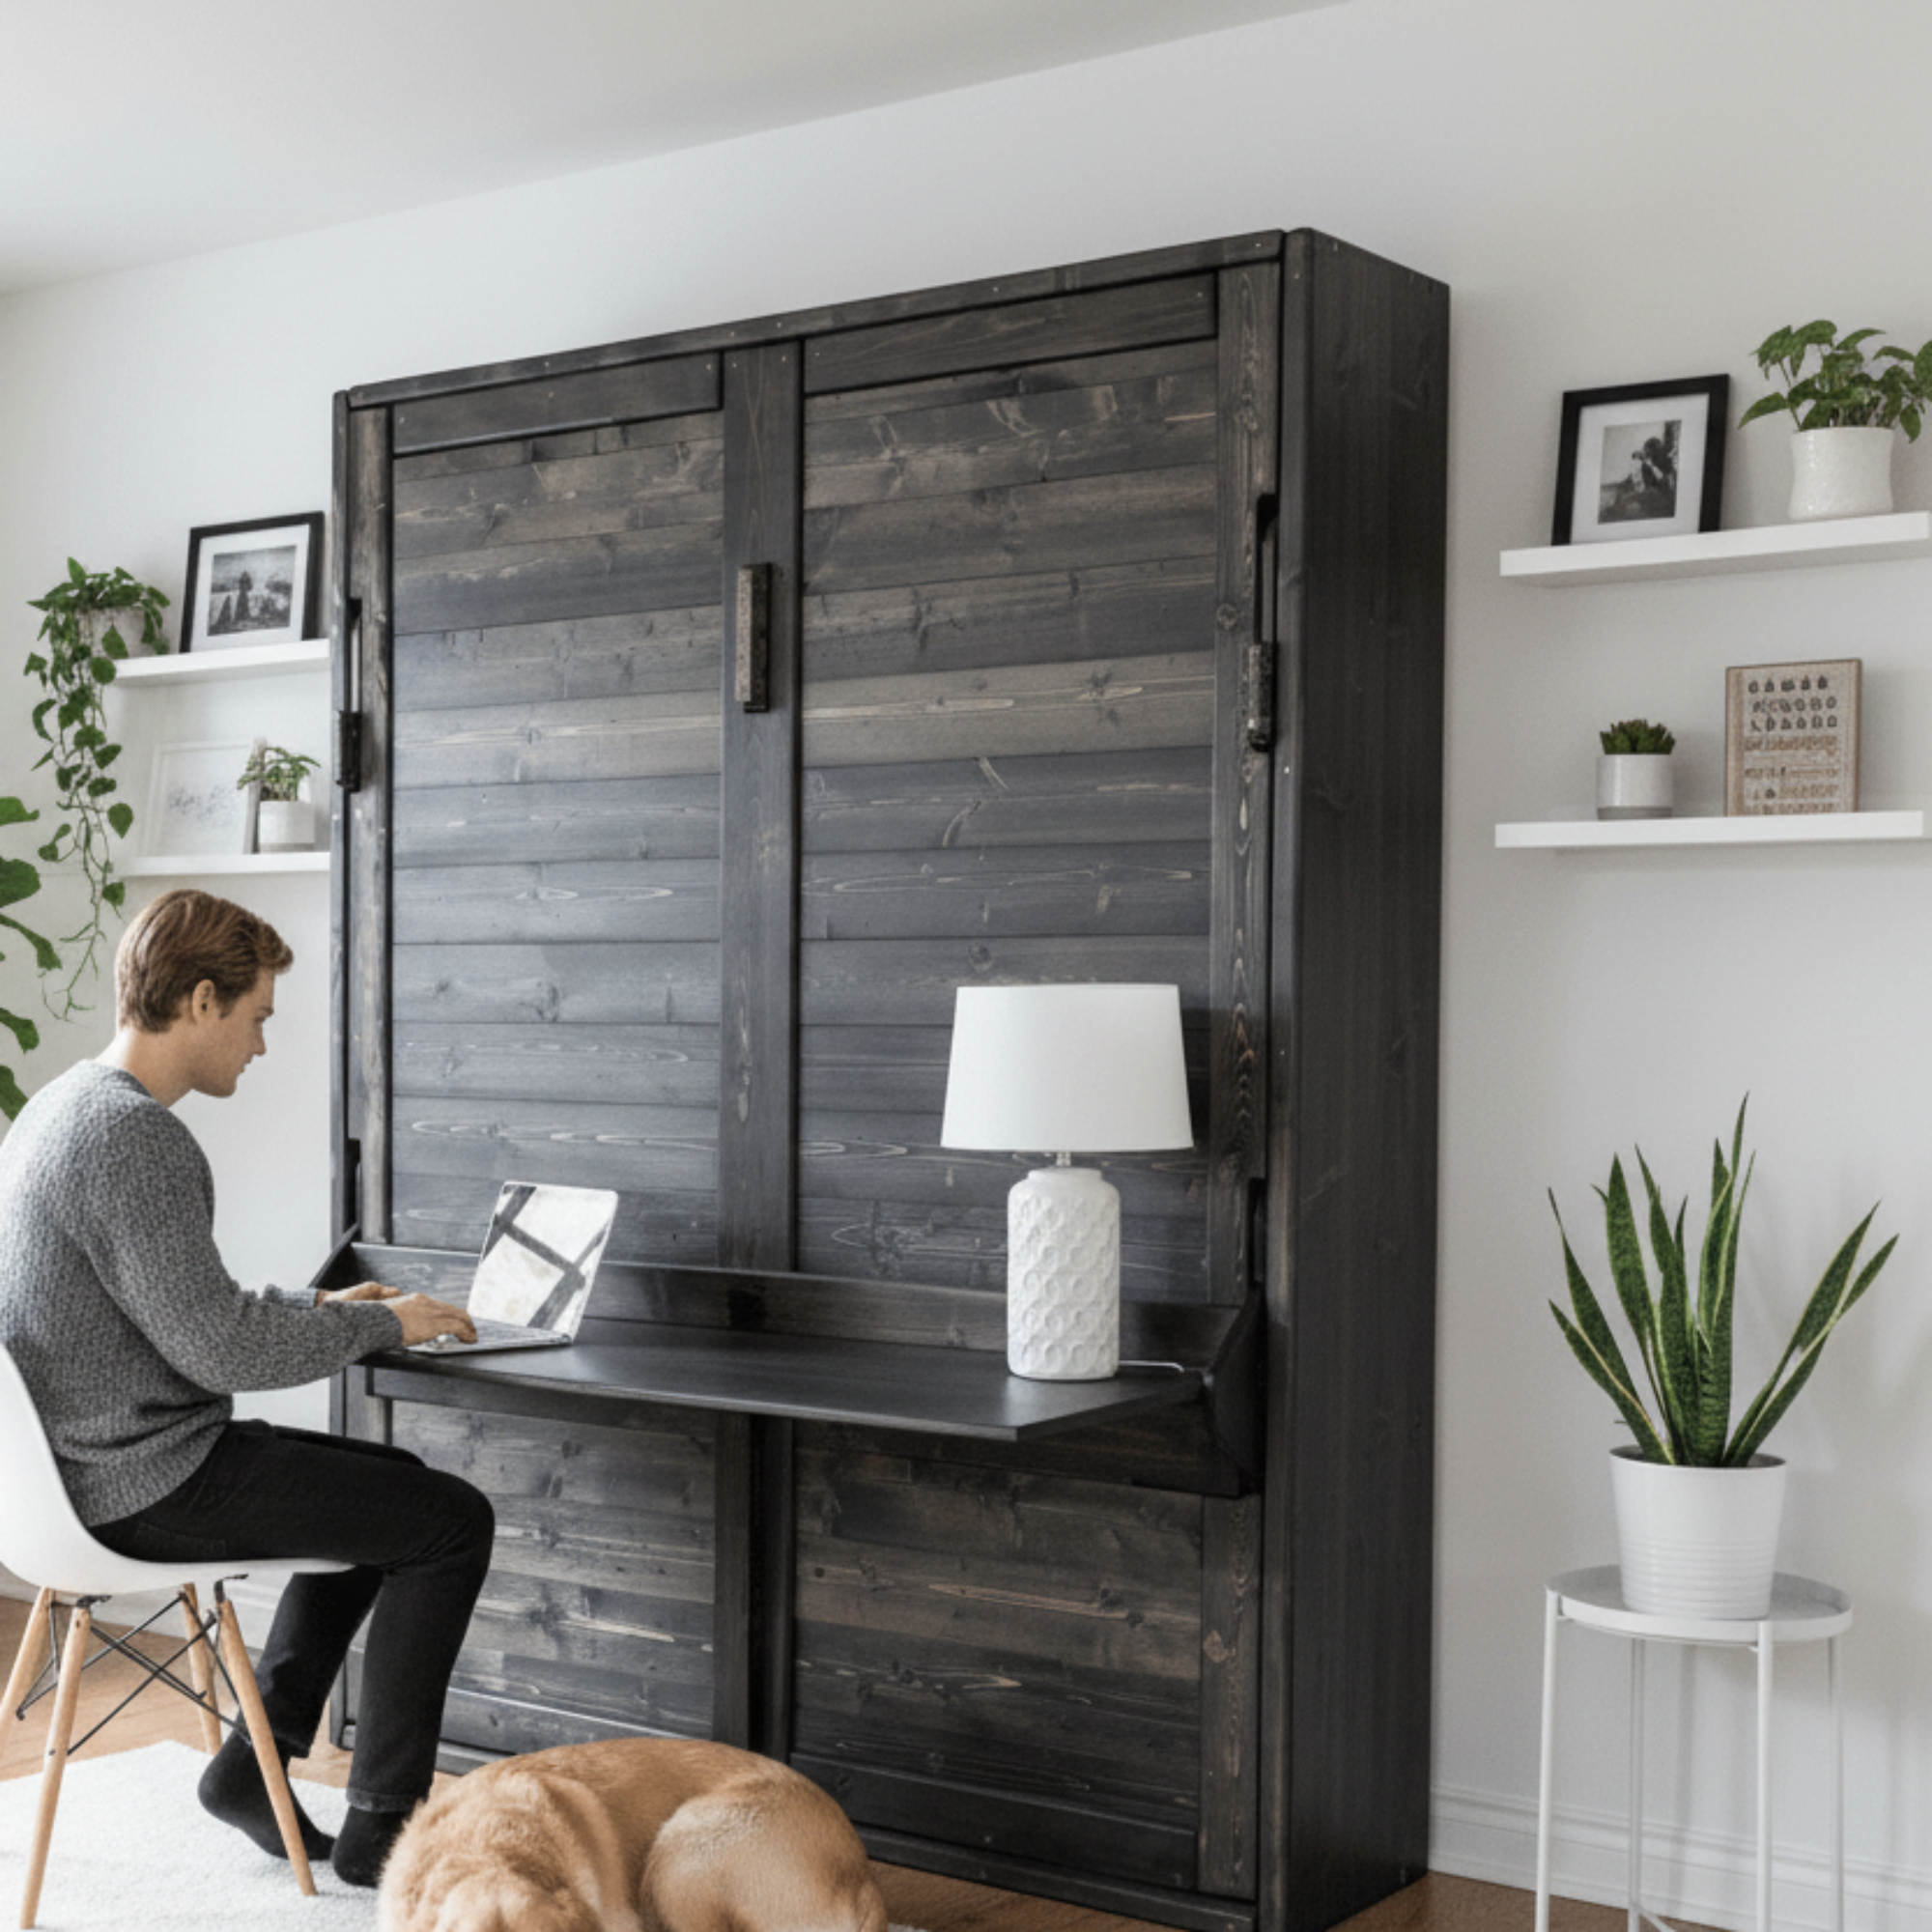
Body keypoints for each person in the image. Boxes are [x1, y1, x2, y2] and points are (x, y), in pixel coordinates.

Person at [0, 888, 485, 1888]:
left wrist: (316, 1305)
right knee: (448, 1520)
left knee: (386, 1488)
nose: (261, 1045)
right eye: (259, 1016)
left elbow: (177, 1304)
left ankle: (244, 1765)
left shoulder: (63, 1104)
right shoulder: (133, 1137)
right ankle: (384, 1826)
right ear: (204, 999)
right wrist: (382, 1322)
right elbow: (219, 1349)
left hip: (73, 1474)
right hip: (142, 1482)